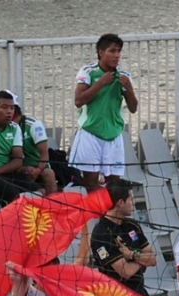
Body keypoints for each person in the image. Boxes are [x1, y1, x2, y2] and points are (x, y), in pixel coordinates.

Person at [70, 33, 138, 190]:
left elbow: (133, 108)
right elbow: (78, 101)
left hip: (114, 134)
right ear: (101, 52)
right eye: (112, 51)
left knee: (114, 183)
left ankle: (112, 213)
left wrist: (128, 88)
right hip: (90, 133)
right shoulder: (88, 72)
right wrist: (101, 83)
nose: (117, 55)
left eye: (119, 51)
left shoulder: (124, 76)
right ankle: (96, 213)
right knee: (91, 182)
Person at [0, 90, 42, 203]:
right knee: (13, 194)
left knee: (40, 191)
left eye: (12, 108)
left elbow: (18, 160)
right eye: (4, 107)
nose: (9, 112)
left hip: (4, 172)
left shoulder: (15, 128)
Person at [11, 94, 58, 195]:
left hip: (38, 165)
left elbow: (44, 154)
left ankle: (54, 204)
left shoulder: (33, 125)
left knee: (49, 173)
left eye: (11, 109)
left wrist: (38, 169)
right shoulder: (4, 126)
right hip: (18, 166)